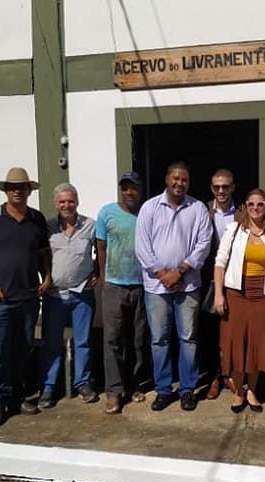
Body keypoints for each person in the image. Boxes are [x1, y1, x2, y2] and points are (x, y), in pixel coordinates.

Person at [0, 167, 51, 428]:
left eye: (22, 187)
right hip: (0, 299)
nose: (17, 191)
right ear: (6, 190)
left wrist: (47, 277)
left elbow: (42, 253)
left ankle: (18, 397)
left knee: (22, 349)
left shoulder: (36, 219)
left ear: (29, 190)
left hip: (28, 297)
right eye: (12, 187)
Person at [135, 161, 212, 412]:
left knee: (188, 338)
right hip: (156, 287)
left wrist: (180, 271)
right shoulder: (149, 208)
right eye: (175, 178)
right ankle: (164, 390)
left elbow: (203, 245)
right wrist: (162, 273)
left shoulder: (198, 208)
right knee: (159, 340)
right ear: (167, 179)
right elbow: (142, 247)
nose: (179, 183)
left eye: (184, 180)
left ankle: (188, 389)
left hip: (187, 285)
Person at [213, 188, 265, 413]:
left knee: (257, 344)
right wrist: (219, 294)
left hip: (263, 296)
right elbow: (220, 262)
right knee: (236, 344)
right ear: (245, 206)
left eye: (260, 204)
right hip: (236, 294)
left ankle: (251, 390)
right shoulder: (234, 230)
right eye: (251, 204)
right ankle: (238, 392)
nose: (255, 208)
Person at [39, 183, 98, 409]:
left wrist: (98, 273)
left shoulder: (89, 226)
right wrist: (44, 278)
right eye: (62, 202)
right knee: (52, 343)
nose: (67, 205)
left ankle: (83, 383)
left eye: (70, 201)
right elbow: (40, 255)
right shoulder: (47, 227)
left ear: (77, 202)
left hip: (82, 292)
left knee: (83, 342)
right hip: (55, 295)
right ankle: (49, 387)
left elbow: (103, 249)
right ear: (56, 204)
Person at [97, 171, 148, 414]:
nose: (129, 192)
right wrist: (105, 280)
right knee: (113, 340)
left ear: (140, 190)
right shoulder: (106, 213)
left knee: (138, 340)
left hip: (141, 286)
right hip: (115, 286)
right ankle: (114, 392)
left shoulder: (146, 213)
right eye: (125, 188)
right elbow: (101, 247)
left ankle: (134, 384)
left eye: (134, 188)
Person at [203, 168, 241, 400]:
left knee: (232, 332)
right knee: (209, 333)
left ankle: (231, 375)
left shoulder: (244, 212)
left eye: (225, 186)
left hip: (235, 281)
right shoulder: (202, 210)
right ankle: (214, 378)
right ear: (211, 188)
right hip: (207, 280)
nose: (221, 191)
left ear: (233, 188)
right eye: (217, 187)